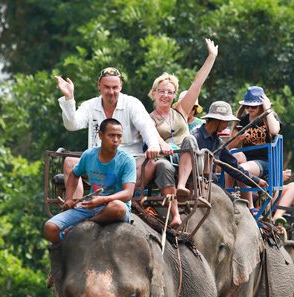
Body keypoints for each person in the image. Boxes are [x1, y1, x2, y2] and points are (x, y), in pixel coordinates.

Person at [143, 38, 219, 227]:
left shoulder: (181, 111)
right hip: (167, 159)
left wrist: (211, 57)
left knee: (189, 141)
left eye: (170, 92)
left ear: (174, 95)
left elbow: (197, 83)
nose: (165, 95)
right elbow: (153, 136)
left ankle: (182, 185)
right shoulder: (147, 118)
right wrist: (163, 145)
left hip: (191, 162)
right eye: (161, 91)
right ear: (154, 93)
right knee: (162, 166)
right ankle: (174, 213)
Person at [55, 67, 159, 200]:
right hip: (97, 162)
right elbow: (72, 125)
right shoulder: (89, 105)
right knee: (69, 162)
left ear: (121, 86)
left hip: (128, 160)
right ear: (99, 86)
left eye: (115, 87)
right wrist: (69, 98)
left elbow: (147, 127)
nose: (111, 92)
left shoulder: (132, 104)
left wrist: (153, 145)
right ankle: (75, 205)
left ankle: (117, 197)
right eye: (107, 87)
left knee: (150, 164)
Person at [43, 118, 136, 244]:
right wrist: (69, 198)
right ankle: (66, 243)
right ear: (101, 135)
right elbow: (74, 175)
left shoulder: (127, 160)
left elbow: (128, 193)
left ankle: (84, 224)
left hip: (113, 207)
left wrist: (102, 200)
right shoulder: (89, 155)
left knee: (118, 207)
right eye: (111, 135)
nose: (115, 140)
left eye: (119, 136)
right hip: (90, 206)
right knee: (50, 228)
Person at [191, 101, 267, 191]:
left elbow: (233, 167)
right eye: (226, 122)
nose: (227, 125)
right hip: (196, 185)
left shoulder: (218, 142)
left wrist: (256, 181)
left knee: (235, 203)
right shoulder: (195, 137)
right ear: (217, 120)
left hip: (211, 186)